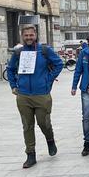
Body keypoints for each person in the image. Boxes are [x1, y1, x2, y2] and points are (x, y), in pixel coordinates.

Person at [6, 25, 64, 168]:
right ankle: (30, 154)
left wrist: (48, 80)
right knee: (27, 125)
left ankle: (50, 140)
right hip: (23, 95)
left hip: (41, 94)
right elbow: (10, 69)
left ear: (36, 35)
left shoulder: (44, 51)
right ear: (22, 36)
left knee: (43, 122)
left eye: (31, 35)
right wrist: (13, 85)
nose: (29, 38)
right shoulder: (18, 52)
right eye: (26, 36)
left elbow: (59, 64)